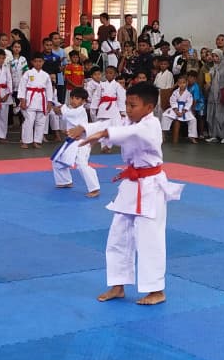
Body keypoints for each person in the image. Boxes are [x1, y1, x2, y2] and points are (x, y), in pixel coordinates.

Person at [73, 81, 183, 306]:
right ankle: (118, 285)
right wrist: (85, 129)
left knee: (149, 239)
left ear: (149, 107)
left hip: (150, 187)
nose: (128, 110)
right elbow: (112, 123)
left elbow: (129, 133)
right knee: (118, 236)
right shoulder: (129, 121)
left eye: (133, 106)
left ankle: (156, 290)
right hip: (131, 185)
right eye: (127, 105)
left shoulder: (150, 125)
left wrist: (102, 134)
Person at [52, 86, 100, 196]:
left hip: (83, 142)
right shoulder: (73, 111)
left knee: (81, 164)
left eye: (77, 99)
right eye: (72, 98)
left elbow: (66, 113)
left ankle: (94, 188)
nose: (73, 100)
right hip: (72, 141)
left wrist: (60, 107)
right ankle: (64, 181)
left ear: (83, 101)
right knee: (58, 160)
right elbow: (64, 115)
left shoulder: (80, 111)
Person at [18, 52, 55, 149]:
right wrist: (22, 100)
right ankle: (26, 141)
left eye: (40, 61)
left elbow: (49, 89)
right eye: (36, 61)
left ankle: (37, 141)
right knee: (29, 121)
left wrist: (49, 102)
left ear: (43, 62)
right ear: (32, 62)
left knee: (41, 122)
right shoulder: (28, 73)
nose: (38, 63)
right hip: (30, 99)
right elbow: (22, 87)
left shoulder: (46, 75)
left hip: (42, 99)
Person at [162, 74, 199, 143]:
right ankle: (163, 133)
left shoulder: (189, 94)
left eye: (183, 83)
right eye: (180, 83)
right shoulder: (175, 92)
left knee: (193, 120)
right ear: (178, 84)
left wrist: (183, 111)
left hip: (184, 110)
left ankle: (192, 136)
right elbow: (172, 101)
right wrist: (176, 111)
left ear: (187, 83)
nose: (182, 85)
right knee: (165, 116)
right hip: (175, 109)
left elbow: (189, 103)